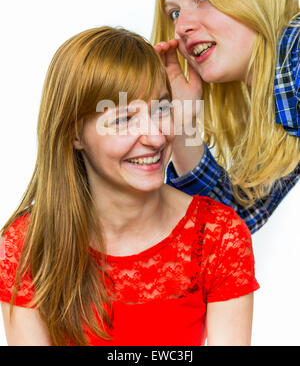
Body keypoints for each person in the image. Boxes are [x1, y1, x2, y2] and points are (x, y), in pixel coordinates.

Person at [0, 26, 259, 346]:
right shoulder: (26, 246)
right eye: (124, 119)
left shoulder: (217, 236)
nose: (154, 137)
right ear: (75, 134)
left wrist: (186, 116)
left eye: (161, 109)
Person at [151, 0, 300, 234]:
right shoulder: (280, 110)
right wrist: (183, 127)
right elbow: (232, 223)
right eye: (175, 13)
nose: (182, 28)